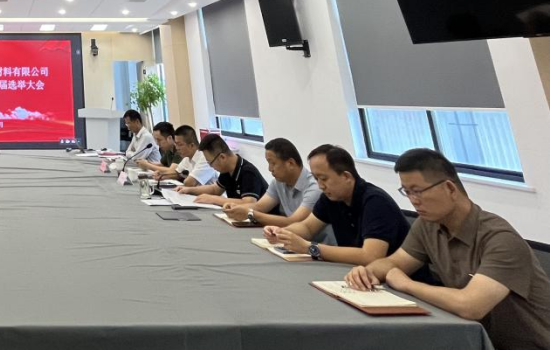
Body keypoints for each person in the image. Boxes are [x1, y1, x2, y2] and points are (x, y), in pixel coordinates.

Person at [346, 149, 550, 350]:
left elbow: (471, 305)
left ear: (450, 189)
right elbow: (395, 262)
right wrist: (367, 273)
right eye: (407, 192)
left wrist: (406, 284)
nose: (413, 200)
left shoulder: (501, 239)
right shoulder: (428, 225)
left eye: (418, 191)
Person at [264, 144, 410, 265]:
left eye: (324, 179)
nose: (320, 185)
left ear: (346, 176)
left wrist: (310, 247)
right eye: (316, 179)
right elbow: (307, 227)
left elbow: (371, 256)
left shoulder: (376, 202)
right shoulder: (330, 198)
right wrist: (282, 233)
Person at [221, 138, 330, 239]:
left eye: (273, 163)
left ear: (290, 163)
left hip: (317, 244)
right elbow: (259, 206)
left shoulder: (315, 187)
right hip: (294, 239)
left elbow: (294, 221)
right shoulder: (278, 182)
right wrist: (236, 207)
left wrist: (251, 214)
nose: (270, 169)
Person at [176, 133, 267, 205]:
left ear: (222, 157)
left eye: (210, 162)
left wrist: (213, 199)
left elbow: (249, 203)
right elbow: (215, 189)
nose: (211, 166)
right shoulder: (227, 170)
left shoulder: (248, 172)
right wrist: (189, 190)